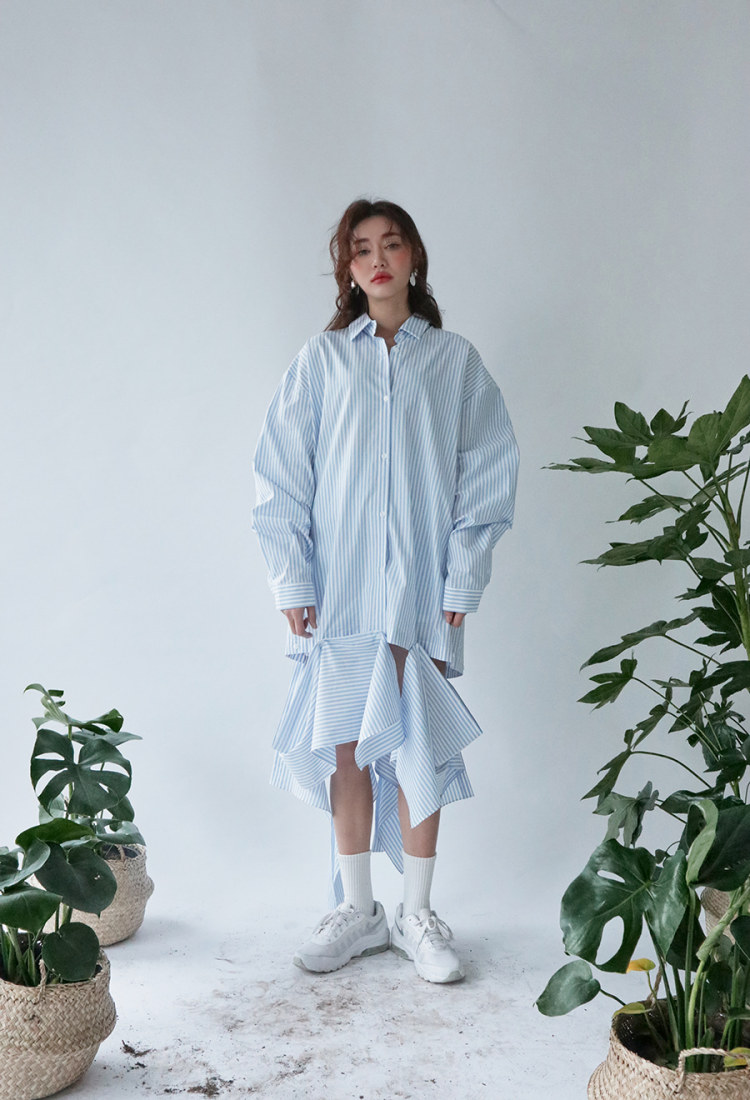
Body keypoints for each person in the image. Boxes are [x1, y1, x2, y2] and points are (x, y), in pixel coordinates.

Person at [251, 198, 519, 984]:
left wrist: (464, 574)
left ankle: (418, 912)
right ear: (347, 267)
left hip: (420, 589)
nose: (377, 259)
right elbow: (280, 474)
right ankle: (361, 909)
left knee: (415, 740)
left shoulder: (456, 363)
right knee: (346, 742)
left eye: (391, 244)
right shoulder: (321, 362)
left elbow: (487, 471)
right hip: (338, 588)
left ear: (414, 257)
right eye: (361, 248)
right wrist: (292, 576)